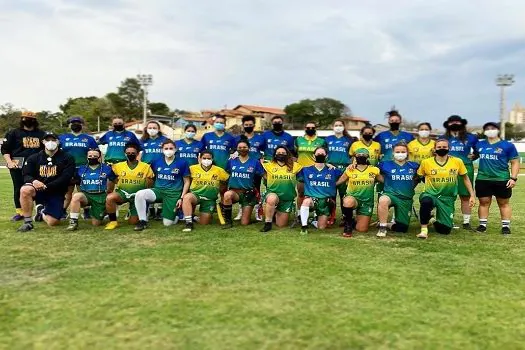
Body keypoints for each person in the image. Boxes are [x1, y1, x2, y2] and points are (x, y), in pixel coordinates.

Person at [416, 139, 475, 239]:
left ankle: (431, 219)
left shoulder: (457, 161)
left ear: (449, 148)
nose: (442, 149)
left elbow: (465, 178)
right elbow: (418, 177)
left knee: (445, 230)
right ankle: (424, 230)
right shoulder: (426, 162)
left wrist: (472, 195)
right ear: (434, 149)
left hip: (447, 198)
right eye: (439, 147)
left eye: (444, 147)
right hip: (431, 194)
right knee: (426, 202)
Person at [17, 132, 76, 232]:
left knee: (53, 222)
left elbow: (66, 177)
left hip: (56, 191)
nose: (50, 142)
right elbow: (26, 175)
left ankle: (40, 211)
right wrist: (34, 181)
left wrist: (47, 186)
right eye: (48, 140)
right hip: (38, 189)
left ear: (58, 142)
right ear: (43, 142)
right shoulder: (34, 158)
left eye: (53, 140)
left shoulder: (67, 158)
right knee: (25, 190)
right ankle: (28, 222)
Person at [134, 140, 190, 231]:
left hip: (173, 194)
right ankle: (142, 221)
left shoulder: (182, 162)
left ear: (175, 149)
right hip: (158, 191)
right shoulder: (156, 161)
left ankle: (175, 215)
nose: (168, 150)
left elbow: (187, 181)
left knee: (167, 224)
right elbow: (150, 177)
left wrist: (182, 197)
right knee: (140, 194)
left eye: (171, 148)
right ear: (162, 150)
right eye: (166, 148)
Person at [475, 122, 519, 235]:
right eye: (487, 128)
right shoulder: (480, 145)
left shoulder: (507, 145)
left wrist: (513, 178)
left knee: (503, 203)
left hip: (502, 179)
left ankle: (505, 227)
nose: (490, 130)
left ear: (498, 130)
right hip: (483, 178)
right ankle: (482, 225)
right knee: (483, 202)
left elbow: (515, 162)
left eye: (493, 128)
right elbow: (474, 155)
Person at [1, 111, 46, 221]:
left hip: (36, 164)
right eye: (25, 118)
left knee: (39, 187)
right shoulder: (14, 133)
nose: (27, 120)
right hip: (18, 163)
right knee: (18, 188)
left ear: (35, 120)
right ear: (21, 119)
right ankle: (20, 212)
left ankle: (40, 211)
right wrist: (9, 162)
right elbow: (5, 149)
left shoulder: (41, 134)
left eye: (30, 118)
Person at [104, 143, 154, 230]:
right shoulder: (118, 166)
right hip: (122, 193)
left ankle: (135, 210)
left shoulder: (145, 166)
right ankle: (113, 221)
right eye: (128, 153)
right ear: (125, 153)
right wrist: (109, 190)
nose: (130, 155)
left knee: (133, 222)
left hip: (137, 196)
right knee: (110, 198)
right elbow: (113, 179)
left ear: (138, 154)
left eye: (133, 153)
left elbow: (150, 181)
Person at [441, 115, 478, 229]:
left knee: (465, 196)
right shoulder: (443, 138)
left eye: (457, 122)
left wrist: (473, 157)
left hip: (466, 168)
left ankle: (466, 222)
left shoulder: (471, 137)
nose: (455, 124)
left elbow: (478, 152)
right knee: (447, 195)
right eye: (452, 122)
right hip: (447, 168)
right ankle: (448, 219)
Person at [66, 149, 116, 230]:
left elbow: (114, 180)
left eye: (95, 156)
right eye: (90, 156)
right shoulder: (81, 168)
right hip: (86, 195)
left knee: (96, 224)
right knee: (76, 196)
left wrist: (109, 191)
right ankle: (73, 222)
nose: (92, 157)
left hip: (100, 196)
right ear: (87, 157)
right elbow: (76, 181)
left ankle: (104, 211)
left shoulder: (106, 168)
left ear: (100, 157)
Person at [376, 143, 420, 237]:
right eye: (397, 151)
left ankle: (388, 225)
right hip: (390, 195)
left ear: (407, 153)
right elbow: (371, 171)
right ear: (393, 153)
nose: (400, 154)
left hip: (405, 199)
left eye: (403, 151)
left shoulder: (414, 166)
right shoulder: (384, 164)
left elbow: (420, 177)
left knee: (402, 229)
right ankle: (382, 227)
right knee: (383, 200)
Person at [336, 148, 381, 237]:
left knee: (362, 229)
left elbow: (384, 181)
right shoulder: (349, 169)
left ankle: (354, 221)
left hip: (367, 201)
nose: (361, 156)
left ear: (367, 157)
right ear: (355, 157)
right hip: (353, 198)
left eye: (363, 155)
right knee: (348, 201)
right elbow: (338, 182)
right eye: (359, 155)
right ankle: (348, 224)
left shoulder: (374, 170)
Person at [297, 147, 342, 234]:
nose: (320, 156)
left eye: (322, 154)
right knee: (306, 202)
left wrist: (334, 184)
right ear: (314, 156)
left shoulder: (332, 170)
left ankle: (313, 221)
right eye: (318, 154)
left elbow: (345, 175)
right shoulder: (306, 169)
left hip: (325, 201)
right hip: (312, 199)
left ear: (326, 156)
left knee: (321, 227)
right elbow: (293, 171)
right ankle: (304, 226)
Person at [59, 116, 98, 218]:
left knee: (84, 191)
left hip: (84, 168)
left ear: (82, 125)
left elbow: (96, 153)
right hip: (67, 169)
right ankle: (62, 211)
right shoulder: (62, 138)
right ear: (69, 125)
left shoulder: (89, 139)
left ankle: (86, 211)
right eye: (73, 122)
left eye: (78, 122)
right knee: (67, 192)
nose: (75, 124)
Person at [181, 151, 229, 232]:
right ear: (200, 159)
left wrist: (221, 192)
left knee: (204, 223)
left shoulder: (219, 170)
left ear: (212, 159)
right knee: (187, 197)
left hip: (210, 199)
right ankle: (189, 223)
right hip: (196, 195)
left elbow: (227, 181)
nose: (206, 160)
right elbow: (185, 181)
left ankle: (194, 217)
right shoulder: (192, 168)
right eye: (204, 158)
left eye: (209, 158)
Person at [221, 140, 265, 227]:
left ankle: (251, 212)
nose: (242, 149)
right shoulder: (231, 161)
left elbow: (263, 175)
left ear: (249, 148)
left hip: (248, 194)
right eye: (240, 147)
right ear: (237, 149)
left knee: (244, 223)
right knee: (227, 195)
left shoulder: (255, 162)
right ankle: (228, 221)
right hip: (235, 192)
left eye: (244, 147)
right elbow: (225, 175)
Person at [260, 146, 302, 232]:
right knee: (272, 199)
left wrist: (327, 164)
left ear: (287, 155)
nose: (281, 155)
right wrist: (236, 156)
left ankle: (274, 211)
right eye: (278, 153)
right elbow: (252, 162)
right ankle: (268, 223)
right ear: (275, 154)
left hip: (287, 198)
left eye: (283, 153)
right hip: (272, 194)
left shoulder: (295, 166)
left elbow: (311, 169)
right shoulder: (268, 164)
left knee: (281, 225)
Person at [326, 119, 353, 222]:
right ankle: (331, 216)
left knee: (343, 194)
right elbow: (322, 152)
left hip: (344, 169)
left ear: (344, 126)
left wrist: (350, 165)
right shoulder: (328, 139)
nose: (338, 127)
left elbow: (352, 155)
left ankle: (344, 216)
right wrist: (326, 163)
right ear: (333, 127)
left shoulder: (349, 140)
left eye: (340, 125)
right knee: (331, 194)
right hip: (331, 168)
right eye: (336, 125)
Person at [239, 115, 265, 221]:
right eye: (246, 125)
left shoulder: (260, 138)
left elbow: (264, 151)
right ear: (243, 125)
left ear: (254, 125)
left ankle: (258, 211)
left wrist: (262, 160)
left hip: (255, 167)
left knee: (256, 189)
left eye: (250, 125)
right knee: (242, 189)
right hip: (242, 167)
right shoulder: (239, 138)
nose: (248, 126)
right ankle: (241, 210)